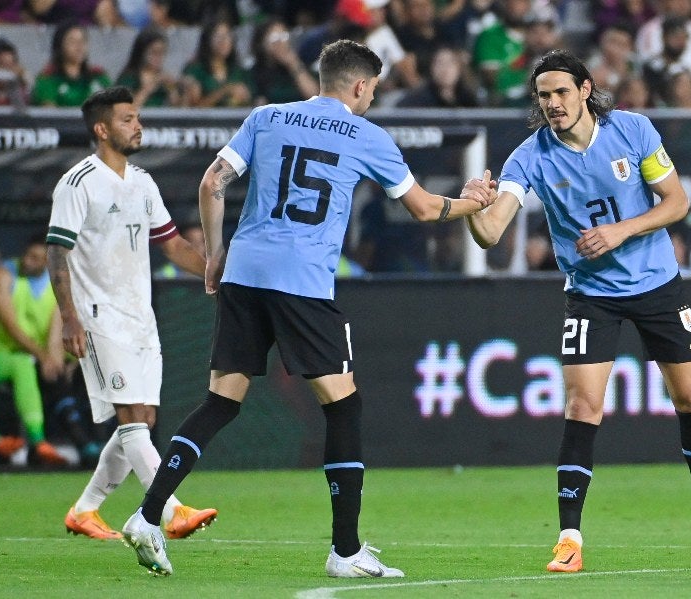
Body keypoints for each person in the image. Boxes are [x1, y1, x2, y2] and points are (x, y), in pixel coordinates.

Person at [120, 39, 494, 578]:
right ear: (362, 86)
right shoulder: (368, 135)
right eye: (373, 89)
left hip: (245, 273)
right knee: (343, 408)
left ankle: (149, 514)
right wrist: (472, 202)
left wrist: (214, 254)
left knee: (221, 401)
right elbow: (424, 209)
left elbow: (212, 181)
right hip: (303, 283)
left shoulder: (266, 115)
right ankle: (345, 551)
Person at [464, 49, 691, 573]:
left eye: (561, 92)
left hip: (658, 284)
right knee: (582, 406)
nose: (552, 104)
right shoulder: (530, 157)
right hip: (591, 294)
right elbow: (491, 233)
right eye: (543, 95)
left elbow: (676, 202)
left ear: (586, 90)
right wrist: (474, 208)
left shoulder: (633, 130)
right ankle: (569, 539)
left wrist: (621, 230)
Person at [46, 86, 218, 541]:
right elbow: (56, 252)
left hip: (141, 316)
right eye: (126, 119)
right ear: (101, 129)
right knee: (132, 419)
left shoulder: (142, 181)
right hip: (98, 316)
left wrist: (218, 277)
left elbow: (175, 243)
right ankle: (171, 510)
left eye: (137, 117)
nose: (137, 125)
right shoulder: (78, 183)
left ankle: (85, 510)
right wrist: (68, 317)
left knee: (141, 418)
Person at [0, 237, 68, 467]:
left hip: (13, 357)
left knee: (24, 364)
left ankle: (38, 443)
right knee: (22, 363)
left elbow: (56, 332)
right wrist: (43, 357)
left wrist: (54, 360)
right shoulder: (4, 274)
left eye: (38, 258)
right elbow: (10, 325)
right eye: (29, 255)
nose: (30, 261)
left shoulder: (54, 286)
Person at [31, 21, 111, 107]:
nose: (79, 46)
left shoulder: (99, 76)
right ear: (60, 45)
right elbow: (49, 115)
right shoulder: (48, 78)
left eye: (83, 41)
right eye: (72, 41)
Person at [181, 19, 254, 108]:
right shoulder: (195, 69)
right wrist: (225, 90)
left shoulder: (238, 71)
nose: (224, 41)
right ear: (208, 40)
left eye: (228, 36)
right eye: (218, 36)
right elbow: (194, 107)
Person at [115, 27, 183, 108]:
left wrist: (172, 90)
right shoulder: (129, 78)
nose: (159, 58)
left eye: (162, 53)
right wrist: (149, 88)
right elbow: (127, 109)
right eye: (154, 52)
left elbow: (177, 110)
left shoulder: (164, 79)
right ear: (142, 52)